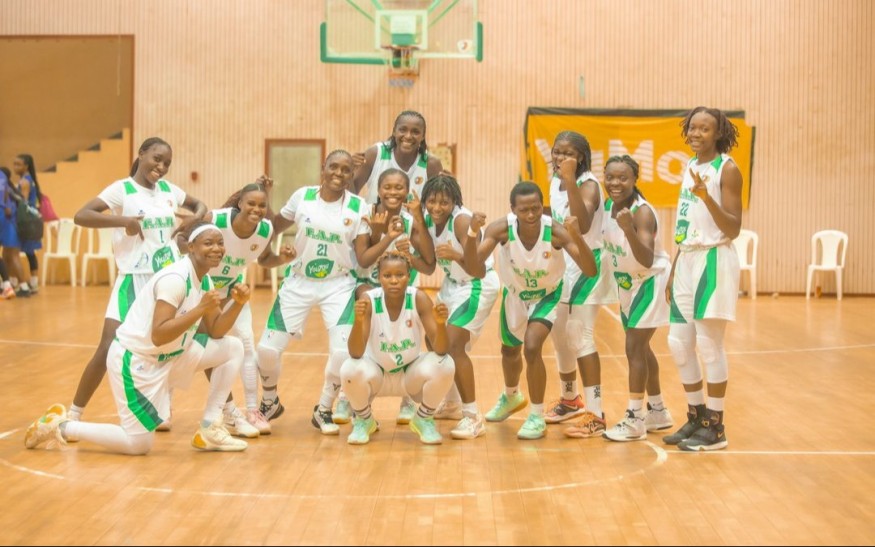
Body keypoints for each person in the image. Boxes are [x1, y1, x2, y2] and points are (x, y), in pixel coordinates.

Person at [25, 222, 251, 454]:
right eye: (208, 243)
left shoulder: (204, 280)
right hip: (135, 361)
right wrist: (200, 309)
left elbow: (216, 330)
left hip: (171, 356)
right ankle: (62, 426)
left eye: (220, 243)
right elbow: (159, 334)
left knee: (233, 347)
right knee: (138, 444)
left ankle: (210, 427)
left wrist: (237, 304)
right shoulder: (175, 278)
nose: (216, 248)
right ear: (191, 247)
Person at [66, 137, 208, 423]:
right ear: (141, 154)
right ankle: (73, 413)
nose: (161, 166)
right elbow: (82, 215)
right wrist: (124, 221)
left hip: (166, 280)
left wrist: (191, 221)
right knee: (108, 347)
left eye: (167, 163)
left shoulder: (168, 190)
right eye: (157, 159)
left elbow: (201, 206)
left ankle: (181, 407)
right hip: (133, 279)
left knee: (187, 340)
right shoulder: (122, 190)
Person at [256, 149, 390, 435]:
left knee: (342, 352)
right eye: (334, 167)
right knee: (266, 351)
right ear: (323, 168)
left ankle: (324, 408)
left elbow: (363, 257)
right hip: (299, 281)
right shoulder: (302, 196)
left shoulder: (358, 207)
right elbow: (274, 226)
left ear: (352, 175)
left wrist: (381, 235)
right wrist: (265, 197)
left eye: (346, 170)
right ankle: (269, 401)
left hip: (338, 284)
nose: (339, 174)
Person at [463, 182, 597, 440]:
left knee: (532, 346)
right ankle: (511, 396)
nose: (531, 214)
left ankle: (536, 416)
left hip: (547, 295)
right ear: (512, 209)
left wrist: (577, 236)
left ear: (541, 205)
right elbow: (474, 268)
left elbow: (590, 270)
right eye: (524, 210)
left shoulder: (555, 231)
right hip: (515, 294)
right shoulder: (500, 229)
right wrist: (472, 234)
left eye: (536, 208)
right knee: (509, 350)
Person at [664, 107, 742, 451]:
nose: (696, 133)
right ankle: (696, 416)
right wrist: (675, 266)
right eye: (692, 127)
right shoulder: (690, 165)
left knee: (709, 345)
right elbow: (688, 223)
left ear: (718, 133)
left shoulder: (727, 169)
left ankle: (715, 426)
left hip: (713, 259)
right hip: (687, 259)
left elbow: (733, 228)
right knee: (678, 344)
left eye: (704, 129)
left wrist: (707, 197)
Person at [334, 167, 435, 425]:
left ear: (408, 190)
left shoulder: (411, 220)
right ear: (378, 190)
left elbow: (428, 266)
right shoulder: (367, 214)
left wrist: (413, 238)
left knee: (407, 337)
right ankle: (349, 396)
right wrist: (381, 235)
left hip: (402, 291)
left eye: (399, 187)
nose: (393, 192)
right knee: (359, 334)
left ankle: (408, 398)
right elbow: (364, 261)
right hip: (367, 284)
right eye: (387, 187)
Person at [199, 179, 297, 436]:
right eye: (251, 203)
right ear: (240, 203)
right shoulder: (215, 219)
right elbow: (186, 242)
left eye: (262, 205)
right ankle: (165, 404)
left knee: (246, 344)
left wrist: (282, 258)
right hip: (202, 290)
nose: (256, 209)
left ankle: (253, 410)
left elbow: (264, 260)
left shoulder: (265, 230)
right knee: (188, 345)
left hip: (233, 290)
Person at [589, 155, 673, 442]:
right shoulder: (607, 207)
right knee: (642, 348)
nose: (615, 183)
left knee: (634, 347)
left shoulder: (642, 213)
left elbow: (647, 259)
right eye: (610, 177)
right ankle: (658, 411)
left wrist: (628, 229)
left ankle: (635, 418)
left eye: (623, 178)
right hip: (627, 285)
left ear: (635, 179)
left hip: (649, 281)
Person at [340, 251, 456, 445]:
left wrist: (441, 324)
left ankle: (423, 418)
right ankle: (364, 420)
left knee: (446, 363)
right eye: (387, 275)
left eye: (400, 275)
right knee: (349, 368)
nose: (394, 280)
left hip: (409, 376)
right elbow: (356, 352)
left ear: (408, 276)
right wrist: (358, 321)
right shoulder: (369, 300)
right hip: (377, 376)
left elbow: (441, 349)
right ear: (379, 277)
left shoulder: (419, 298)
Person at [415, 174, 500, 439]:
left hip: (476, 283)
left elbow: (477, 268)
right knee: (434, 340)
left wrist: (455, 254)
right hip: (452, 284)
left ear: (455, 202)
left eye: (444, 202)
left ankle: (473, 417)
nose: (437, 207)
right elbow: (429, 265)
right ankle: (451, 403)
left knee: (453, 346)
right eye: (431, 201)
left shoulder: (462, 221)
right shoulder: (427, 219)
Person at [545, 131, 616, 439]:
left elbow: (583, 224)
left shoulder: (587, 184)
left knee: (580, 335)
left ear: (581, 158)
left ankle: (596, 415)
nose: (560, 158)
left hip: (589, 261)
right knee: (560, 335)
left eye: (568, 153)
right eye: (557, 151)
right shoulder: (555, 181)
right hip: (564, 262)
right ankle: (570, 399)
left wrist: (570, 179)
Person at [352, 110, 443, 204]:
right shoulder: (375, 154)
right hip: (374, 213)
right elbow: (350, 195)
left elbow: (439, 203)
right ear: (394, 131)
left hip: (414, 215)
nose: (408, 136)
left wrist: (448, 185)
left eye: (415, 132)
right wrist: (349, 172)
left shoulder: (431, 164)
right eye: (403, 130)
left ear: (423, 136)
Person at [11, 154, 43, 293]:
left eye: (18, 164)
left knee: (18, 251)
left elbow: (23, 202)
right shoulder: (30, 180)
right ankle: (33, 282)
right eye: (14, 164)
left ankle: (18, 282)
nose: (15, 167)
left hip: (26, 221)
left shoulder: (25, 182)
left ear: (26, 166)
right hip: (31, 219)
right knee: (30, 251)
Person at [0, 166, 28, 298]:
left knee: (12, 255)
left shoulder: (22, 183)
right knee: (7, 255)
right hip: (10, 222)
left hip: (10, 223)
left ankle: (22, 286)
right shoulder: (8, 185)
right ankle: (7, 284)